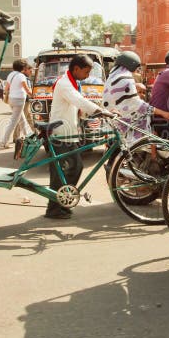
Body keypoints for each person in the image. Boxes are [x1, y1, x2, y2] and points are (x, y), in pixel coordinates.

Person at [45, 54, 108, 219]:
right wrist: (102, 112)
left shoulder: (72, 82)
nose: (88, 75)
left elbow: (78, 103)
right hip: (61, 134)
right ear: (76, 69)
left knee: (72, 169)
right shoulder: (65, 84)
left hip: (69, 133)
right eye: (86, 71)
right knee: (64, 172)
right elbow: (80, 101)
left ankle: (61, 204)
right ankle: (55, 208)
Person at [103, 51, 169, 145]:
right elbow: (138, 105)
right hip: (123, 125)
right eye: (136, 68)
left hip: (111, 122)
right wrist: (164, 113)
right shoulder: (125, 78)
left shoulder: (112, 77)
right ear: (131, 65)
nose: (136, 71)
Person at [2, 59, 32, 149]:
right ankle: (4, 141)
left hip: (11, 99)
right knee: (13, 122)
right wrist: (34, 94)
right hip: (19, 100)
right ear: (22, 68)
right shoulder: (21, 76)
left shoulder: (10, 75)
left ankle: (29, 136)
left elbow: (6, 89)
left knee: (22, 119)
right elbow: (27, 90)